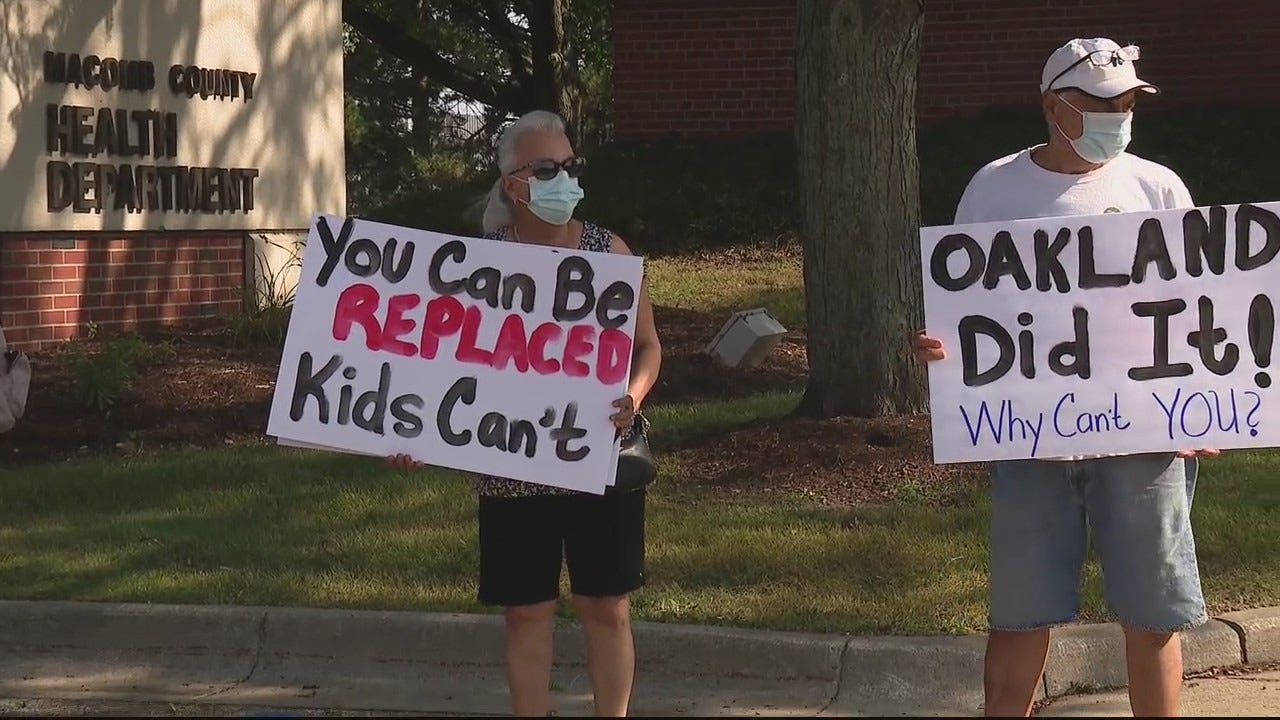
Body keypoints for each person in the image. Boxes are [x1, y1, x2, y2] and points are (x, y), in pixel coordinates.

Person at [912, 38, 1218, 717]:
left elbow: (1198, 309)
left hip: (1142, 443)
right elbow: (969, 312)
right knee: (1020, 617)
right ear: (1054, 106)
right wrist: (947, 356)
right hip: (1030, 445)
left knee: (1153, 614)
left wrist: (1208, 403)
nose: (1119, 113)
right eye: (1102, 103)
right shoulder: (995, 188)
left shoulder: (1158, 186)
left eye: (1129, 101)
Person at [388, 109, 663, 718]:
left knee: (607, 606)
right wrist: (414, 434)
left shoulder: (608, 250)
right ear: (514, 182)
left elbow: (648, 347)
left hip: (596, 456)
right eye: (548, 169)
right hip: (510, 461)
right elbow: (436, 369)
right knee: (526, 612)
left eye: (570, 166)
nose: (564, 178)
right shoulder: (475, 266)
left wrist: (634, 396)